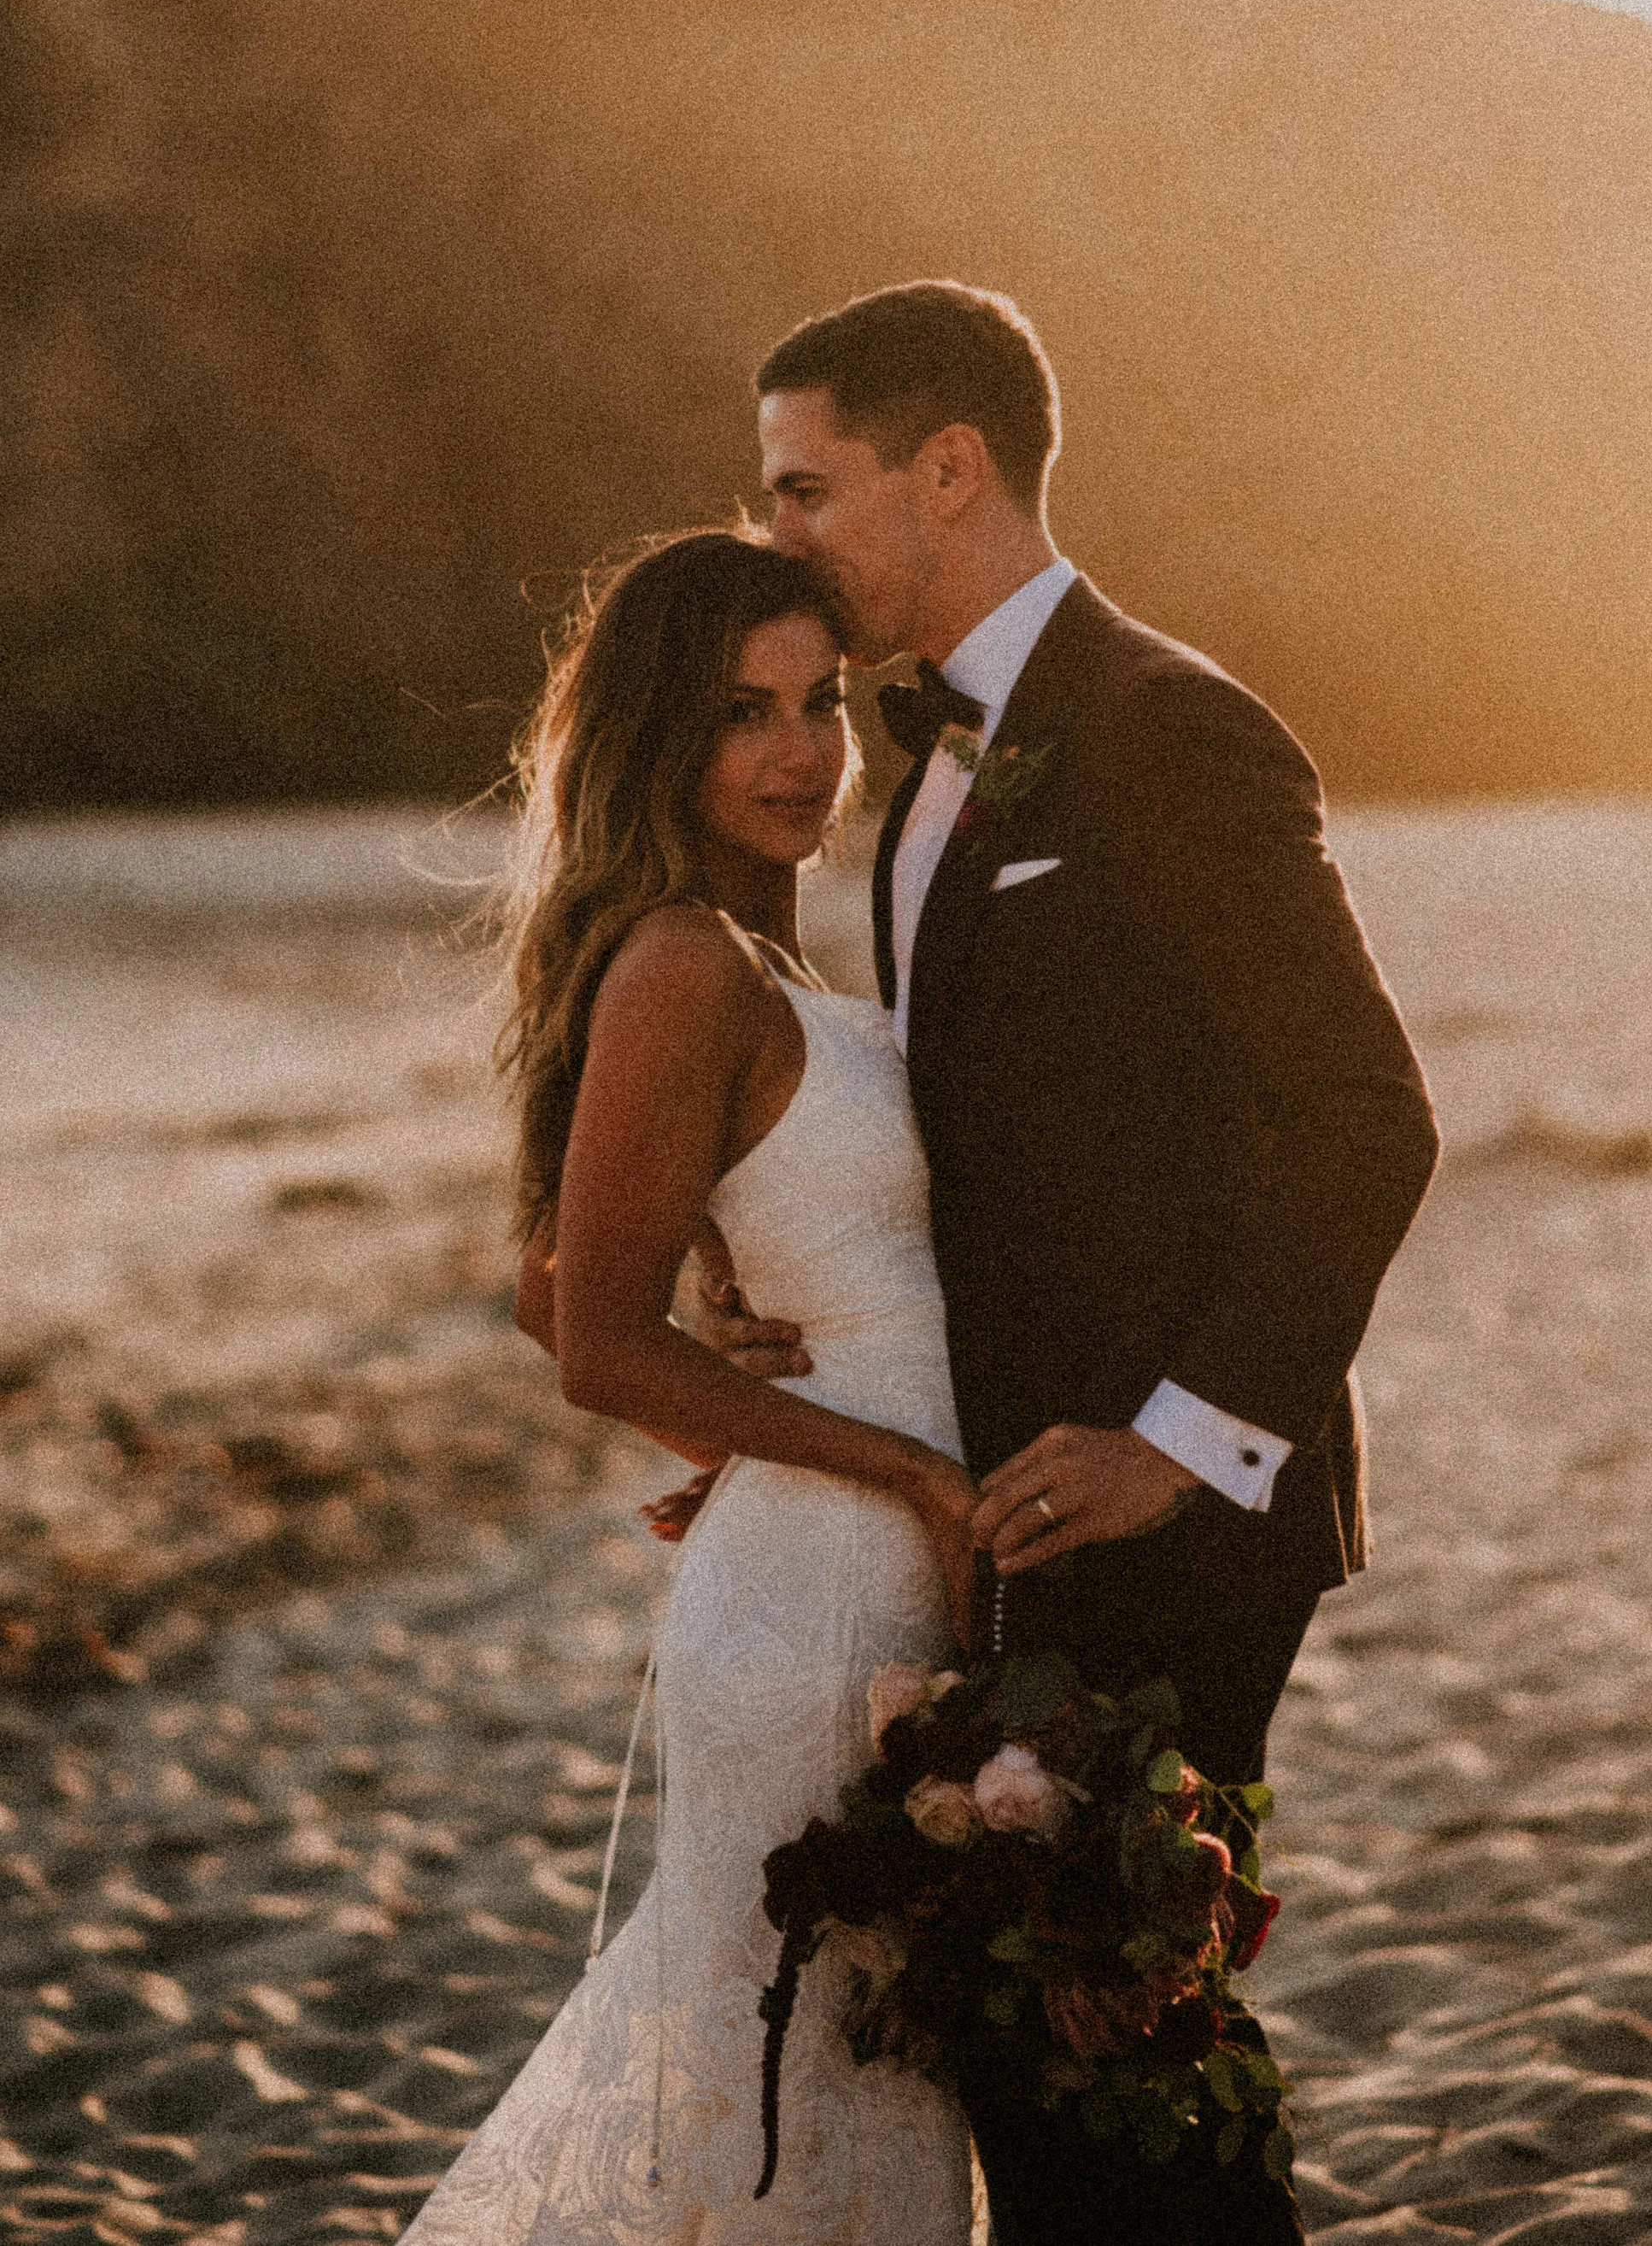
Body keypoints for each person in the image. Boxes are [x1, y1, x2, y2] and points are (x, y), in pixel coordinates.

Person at [702, 279, 1441, 2244]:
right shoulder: (929, 758)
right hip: (1012, 1507)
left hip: (1166, 1526)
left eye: (805, 488)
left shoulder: (1168, 730)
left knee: (1123, 2081)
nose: (771, 536)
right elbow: (994, 1147)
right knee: (1054, 2082)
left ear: (949, 468)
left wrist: (1179, 1439)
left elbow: (1367, 1117)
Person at [400, 530, 977, 2245]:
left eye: (823, 702)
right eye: (743, 712)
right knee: (783, 2070)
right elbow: (588, 1335)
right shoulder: (678, 963)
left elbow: (551, 1283)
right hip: (818, 1602)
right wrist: (902, 1474)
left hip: (844, 1554)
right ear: (663, 735)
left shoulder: (774, 956)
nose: (803, 751)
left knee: (828, 2073)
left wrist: (733, 1419)